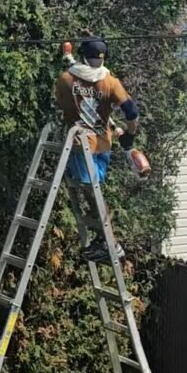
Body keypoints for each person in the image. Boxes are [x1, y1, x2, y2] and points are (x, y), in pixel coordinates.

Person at [54, 35, 139, 263]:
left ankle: (110, 243)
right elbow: (131, 112)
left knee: (91, 191)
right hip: (103, 146)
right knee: (95, 189)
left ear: (83, 56)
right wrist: (128, 135)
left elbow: (65, 101)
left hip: (81, 146)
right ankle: (106, 240)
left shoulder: (65, 80)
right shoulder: (110, 81)